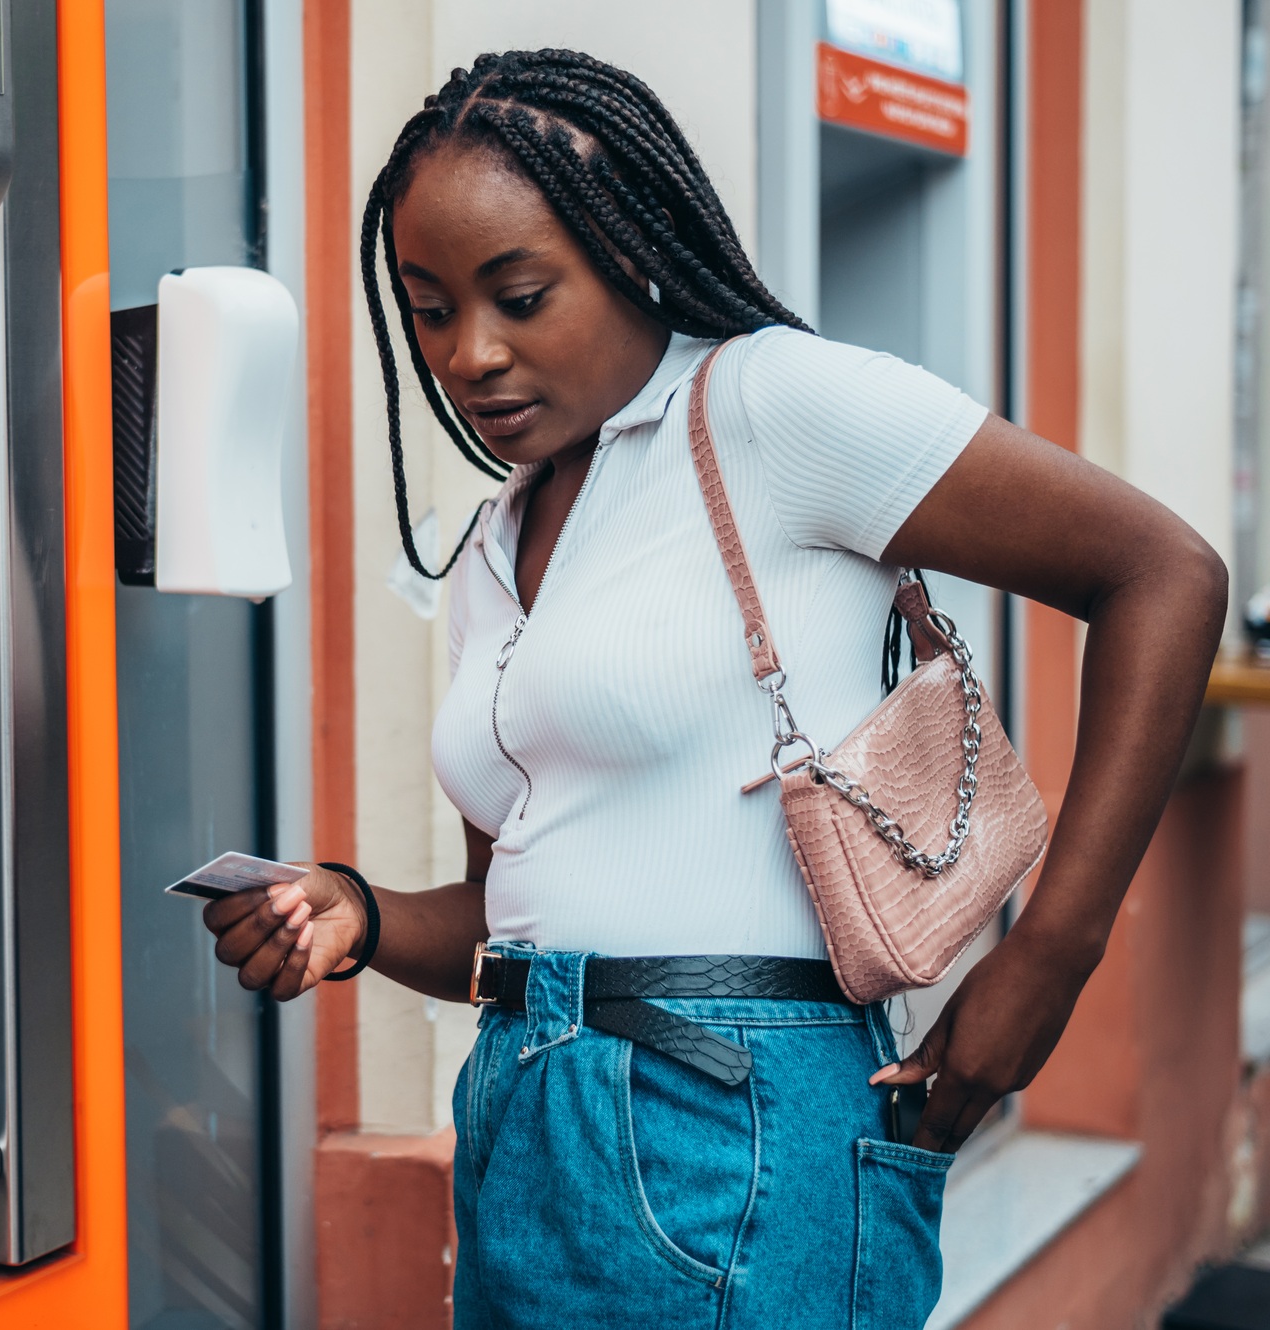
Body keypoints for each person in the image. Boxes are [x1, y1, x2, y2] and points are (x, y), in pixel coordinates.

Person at [200, 49, 1227, 1330]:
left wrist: (1048, 959)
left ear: (632, 251)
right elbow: (516, 919)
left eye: (519, 296)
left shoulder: (769, 405)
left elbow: (1162, 575)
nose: (468, 353)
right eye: (426, 307)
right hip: (522, 1117)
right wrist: (348, 910)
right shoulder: (491, 550)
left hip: (732, 1120)